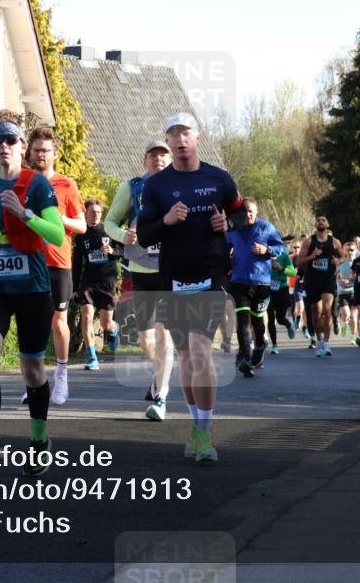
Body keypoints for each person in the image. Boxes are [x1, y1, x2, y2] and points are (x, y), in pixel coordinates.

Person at [136, 112, 245, 463]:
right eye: (174, 135)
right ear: (167, 142)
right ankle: (195, 426)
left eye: (186, 134)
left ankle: (205, 432)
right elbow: (144, 232)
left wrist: (226, 222)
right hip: (173, 279)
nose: (181, 140)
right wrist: (166, 221)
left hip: (210, 276)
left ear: (198, 138)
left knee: (200, 352)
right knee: (185, 357)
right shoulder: (157, 185)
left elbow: (243, 216)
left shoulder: (219, 178)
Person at [0, 121, 66, 476]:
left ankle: (39, 441)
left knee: (32, 368)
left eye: (11, 140)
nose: (4, 146)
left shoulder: (37, 185)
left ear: (22, 146)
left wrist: (26, 214)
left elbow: (56, 234)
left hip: (33, 287)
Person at [104, 139, 175, 421]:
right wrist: (124, 236)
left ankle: (162, 396)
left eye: (163, 156)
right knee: (146, 340)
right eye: (153, 155)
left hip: (170, 270)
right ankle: (158, 377)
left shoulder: (180, 185)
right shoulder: (132, 187)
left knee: (164, 334)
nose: (159, 160)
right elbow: (110, 222)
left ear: (170, 161)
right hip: (141, 270)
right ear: (144, 160)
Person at [26, 126, 86, 404]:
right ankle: (35, 381)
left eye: (46, 150)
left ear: (55, 154)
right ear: (29, 151)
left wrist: (58, 220)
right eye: (37, 149)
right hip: (29, 260)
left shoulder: (66, 185)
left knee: (58, 322)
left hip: (58, 262)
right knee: (31, 323)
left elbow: (83, 226)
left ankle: (61, 377)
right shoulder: (23, 181)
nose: (41, 154)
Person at [226, 197, 286, 377]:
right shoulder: (232, 229)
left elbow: (280, 248)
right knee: (243, 321)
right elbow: (222, 248)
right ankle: (245, 358)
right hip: (239, 281)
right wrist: (226, 258)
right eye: (245, 211)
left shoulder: (266, 227)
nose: (248, 214)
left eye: (251, 211)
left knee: (258, 321)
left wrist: (266, 250)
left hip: (262, 282)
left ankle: (260, 345)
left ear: (257, 211)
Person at [72, 199, 120, 369]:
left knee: (106, 323)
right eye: (92, 212)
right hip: (89, 282)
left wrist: (112, 251)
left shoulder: (109, 231)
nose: (96, 215)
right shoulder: (80, 236)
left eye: (99, 212)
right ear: (86, 213)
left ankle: (114, 330)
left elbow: (123, 251)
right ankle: (92, 358)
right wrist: (75, 288)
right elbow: (76, 263)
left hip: (108, 280)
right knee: (86, 316)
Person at [296, 215, 345, 357]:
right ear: (315, 223)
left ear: (328, 224)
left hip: (328, 279)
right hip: (312, 280)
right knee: (316, 313)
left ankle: (327, 344)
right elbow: (299, 261)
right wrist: (311, 256)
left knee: (327, 310)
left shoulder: (335, 242)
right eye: (319, 220)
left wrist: (338, 261)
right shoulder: (309, 241)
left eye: (324, 220)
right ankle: (319, 340)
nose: (321, 222)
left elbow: (343, 256)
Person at [267, 238, 298, 355]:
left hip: (282, 289)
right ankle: (274, 345)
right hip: (268, 290)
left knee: (280, 319)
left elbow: (292, 273)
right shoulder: (264, 255)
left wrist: (280, 268)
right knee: (270, 318)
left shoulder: (284, 256)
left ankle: (288, 324)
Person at [336, 251, 356, 341]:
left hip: (355, 292)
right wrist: (340, 281)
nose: (350, 252)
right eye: (348, 250)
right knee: (346, 314)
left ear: (355, 251)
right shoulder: (342, 263)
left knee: (353, 317)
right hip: (343, 292)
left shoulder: (358, 262)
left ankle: (353, 337)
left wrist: (351, 280)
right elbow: (336, 275)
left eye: (352, 250)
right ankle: (345, 323)